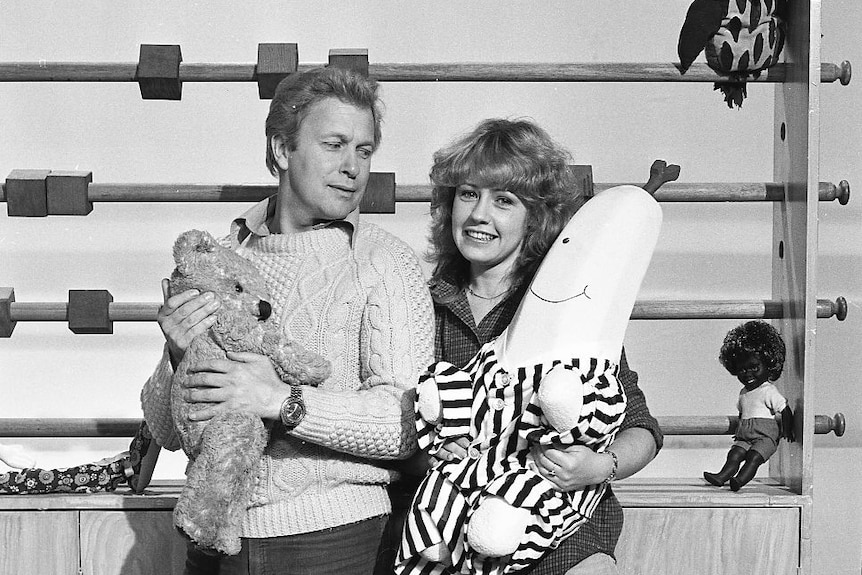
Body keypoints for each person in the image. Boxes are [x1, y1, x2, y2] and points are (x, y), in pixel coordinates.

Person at [140, 66, 435, 575]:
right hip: (214, 540)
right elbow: (164, 431)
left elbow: (410, 425)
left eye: (364, 151)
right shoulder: (223, 260)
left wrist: (281, 401)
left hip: (337, 542)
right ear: (281, 150)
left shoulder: (386, 264)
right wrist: (175, 356)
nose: (353, 168)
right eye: (335, 145)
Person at [383, 119, 664, 575]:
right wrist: (426, 455)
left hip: (563, 544)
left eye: (504, 201)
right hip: (451, 544)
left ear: (536, 217)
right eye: (468, 193)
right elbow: (397, 429)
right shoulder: (417, 304)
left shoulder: (566, 304)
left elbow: (641, 428)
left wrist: (599, 467)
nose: (479, 215)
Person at [704, 320, 794, 491]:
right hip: (744, 435)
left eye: (754, 367)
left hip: (765, 437)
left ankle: (740, 480)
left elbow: (785, 410)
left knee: (754, 457)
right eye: (742, 370)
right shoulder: (744, 393)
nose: (748, 374)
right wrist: (739, 430)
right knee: (734, 454)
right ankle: (722, 476)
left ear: (769, 364)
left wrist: (787, 429)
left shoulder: (768, 391)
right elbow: (742, 414)